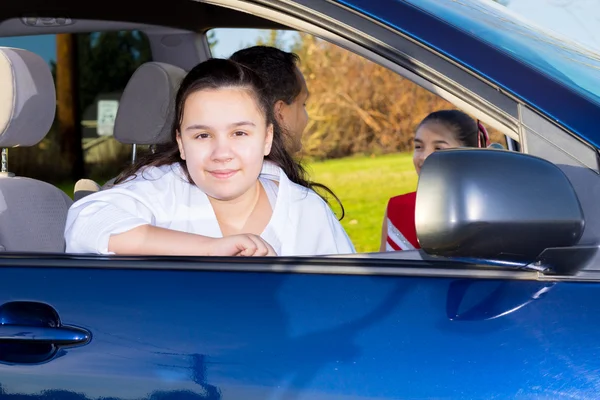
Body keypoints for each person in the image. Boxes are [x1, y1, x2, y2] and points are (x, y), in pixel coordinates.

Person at [64, 58, 355, 257]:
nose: (221, 154)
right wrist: (210, 248)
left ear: (267, 138)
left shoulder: (306, 210)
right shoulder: (162, 189)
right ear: (180, 142)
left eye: (239, 133)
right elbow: (86, 224)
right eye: (202, 136)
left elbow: (349, 299)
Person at [230, 45, 345, 219]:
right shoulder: (301, 206)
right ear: (280, 113)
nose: (306, 117)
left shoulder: (186, 187)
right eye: (303, 104)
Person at [380, 109, 490, 252]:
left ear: (470, 155)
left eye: (438, 148)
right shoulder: (397, 208)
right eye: (419, 147)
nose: (424, 157)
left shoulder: (487, 211)